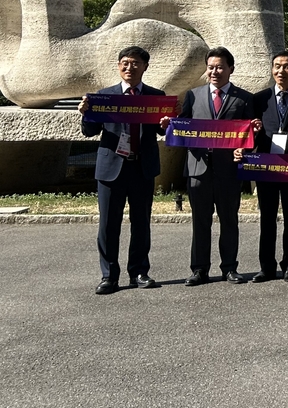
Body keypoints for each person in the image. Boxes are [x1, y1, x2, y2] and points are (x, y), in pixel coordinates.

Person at [80, 45, 170, 294]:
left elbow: (162, 130)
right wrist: (86, 114)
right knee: (108, 224)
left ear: (145, 67)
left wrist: (167, 123)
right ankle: (109, 276)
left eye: (135, 63)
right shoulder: (104, 96)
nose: (129, 67)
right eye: (125, 63)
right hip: (111, 168)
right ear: (119, 66)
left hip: (142, 167)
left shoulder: (156, 96)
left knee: (141, 223)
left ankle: (139, 272)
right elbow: (89, 132)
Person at [171, 47, 258, 286]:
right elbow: (183, 127)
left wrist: (246, 148)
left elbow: (250, 135)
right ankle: (199, 269)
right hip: (198, 168)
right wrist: (170, 124)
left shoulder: (244, 98)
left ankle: (229, 268)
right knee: (200, 221)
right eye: (210, 67)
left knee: (229, 220)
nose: (214, 72)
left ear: (231, 69)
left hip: (228, 169)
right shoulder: (193, 95)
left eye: (220, 67)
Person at [242, 49, 288, 283]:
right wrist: (250, 137)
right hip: (266, 167)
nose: (281, 71)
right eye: (277, 66)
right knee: (267, 219)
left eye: (286, 66)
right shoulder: (259, 99)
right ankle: (266, 267)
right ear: (272, 70)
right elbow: (249, 134)